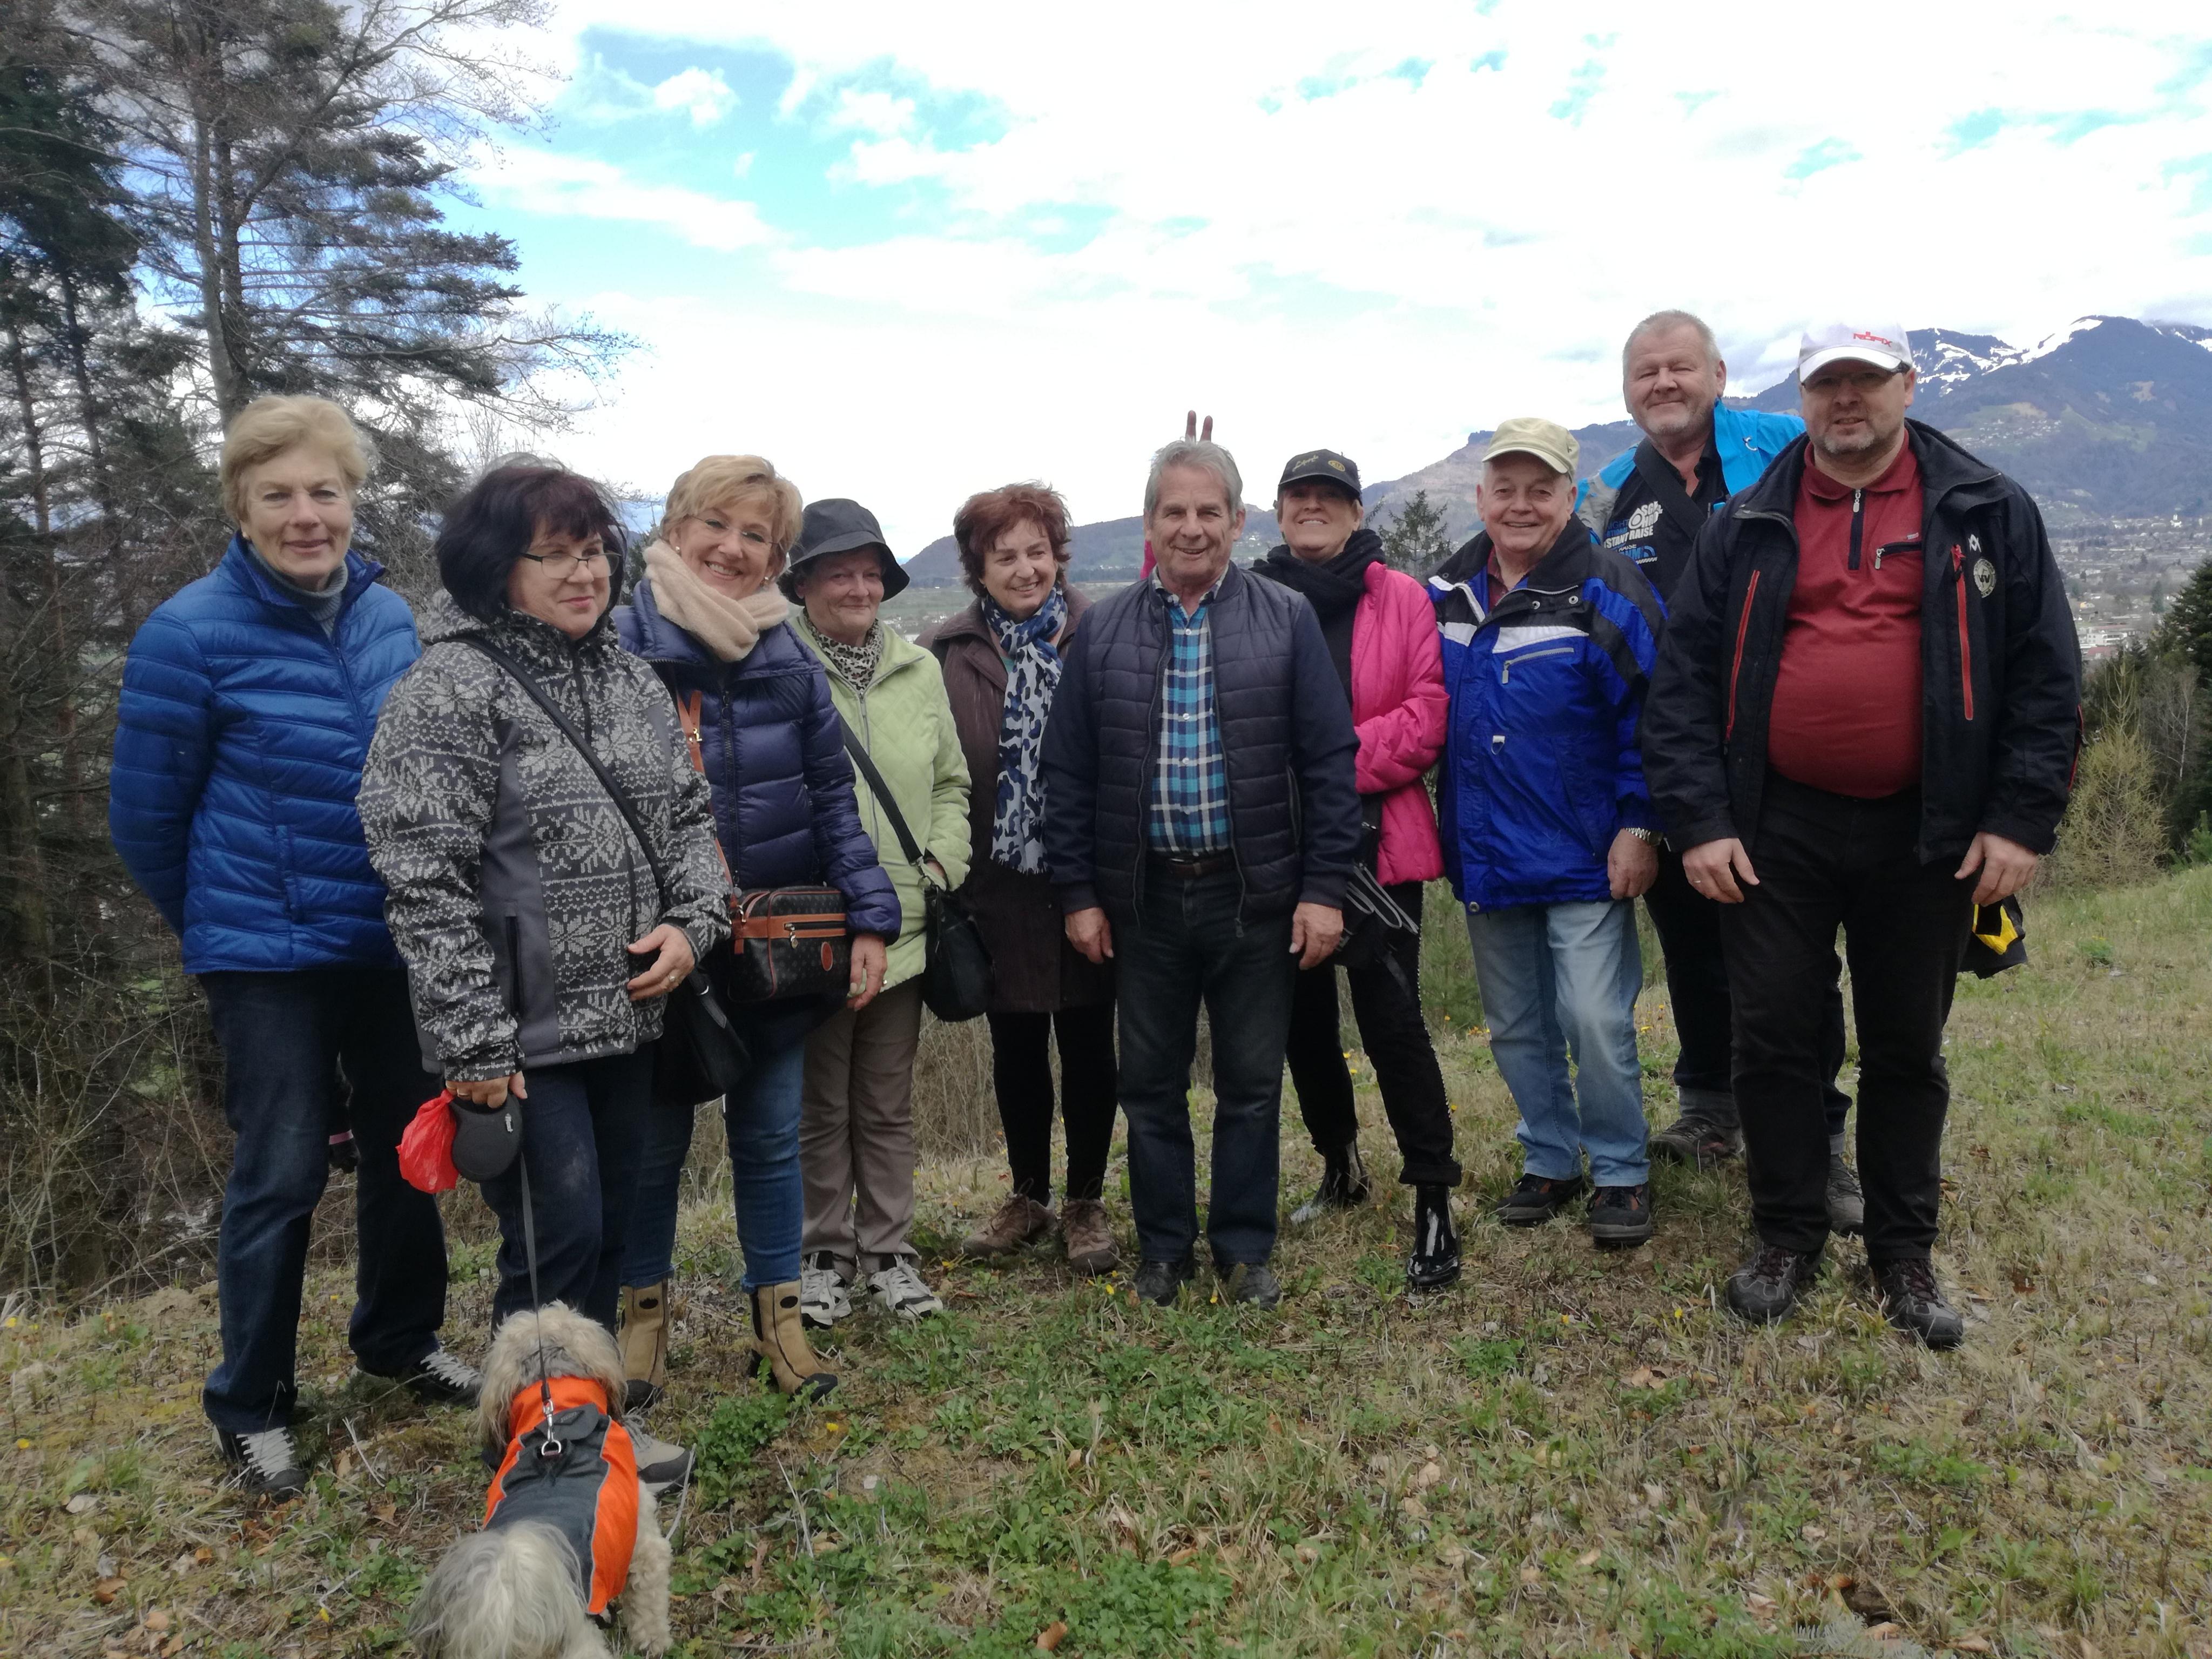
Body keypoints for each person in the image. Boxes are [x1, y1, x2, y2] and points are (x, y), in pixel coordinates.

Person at [1644, 325, 2080, 1346]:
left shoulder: (1987, 509)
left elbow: (2047, 676)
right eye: (1827, 382)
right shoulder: (1749, 519)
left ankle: (1902, 1253)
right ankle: (1786, 1235)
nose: (1847, 399)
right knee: (1774, 1039)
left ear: (1907, 386)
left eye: (1866, 380)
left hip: (1929, 826)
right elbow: (1683, 683)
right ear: (1801, 396)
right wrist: (1700, 822)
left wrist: (2019, 821)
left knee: (1905, 1046)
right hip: (1774, 822)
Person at [110, 394, 476, 1500]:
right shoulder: (187, 634)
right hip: (266, 956)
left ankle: (399, 1339)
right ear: (242, 507)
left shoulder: (389, 619)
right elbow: (147, 822)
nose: (305, 515)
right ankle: (253, 1404)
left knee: (410, 1148)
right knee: (279, 1171)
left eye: (325, 491)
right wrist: (222, 927)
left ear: (354, 501)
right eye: (278, 495)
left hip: (389, 937)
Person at [358, 458, 727, 1486]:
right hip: (520, 1037)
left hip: (631, 1019)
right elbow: (421, 878)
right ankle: (546, 1447)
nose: (585, 572)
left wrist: (694, 925)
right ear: (496, 567)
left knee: (606, 1235)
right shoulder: (448, 690)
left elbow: (689, 821)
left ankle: (580, 1425)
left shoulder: (631, 680)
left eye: (595, 549)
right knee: (552, 1242)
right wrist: (474, 1045)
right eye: (555, 554)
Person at [1042, 436, 1361, 1310]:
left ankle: (1245, 1249)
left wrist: (1323, 891)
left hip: (1253, 896)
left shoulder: (1284, 618)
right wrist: (1079, 895)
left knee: (1251, 1084)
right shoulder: (1103, 630)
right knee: (1150, 1086)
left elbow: (1330, 764)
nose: (1192, 527)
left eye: (1208, 511)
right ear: (1150, 523)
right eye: (1174, 512)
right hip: (1143, 900)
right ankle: (1165, 1250)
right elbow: (1067, 773)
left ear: (1238, 521)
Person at [612, 458, 900, 1402]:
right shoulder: (620, 648)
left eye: (757, 538)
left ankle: (780, 1328)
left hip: (775, 945)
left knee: (771, 1138)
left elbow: (832, 801)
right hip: (656, 943)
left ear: (777, 560)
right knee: (653, 1145)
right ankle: (640, 1331)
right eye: (717, 526)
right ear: (677, 528)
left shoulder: (789, 663)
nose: (733, 550)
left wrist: (870, 918)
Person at [1577, 311, 1863, 1233]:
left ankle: (1823, 1138)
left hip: (1780, 754)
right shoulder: (1609, 492)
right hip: (1669, 755)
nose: (1663, 384)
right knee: (1693, 945)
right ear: (1628, 389)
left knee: (1793, 961)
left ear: (1719, 374)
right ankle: (1709, 1105)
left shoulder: (1783, 446)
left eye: (1680, 367)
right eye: (1646, 372)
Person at [1427, 420, 1664, 1248]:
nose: (1521, 505)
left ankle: (1621, 1169)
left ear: (1570, 498)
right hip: (1487, 852)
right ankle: (1552, 1157)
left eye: (1541, 490)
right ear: (1481, 496)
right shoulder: (1446, 595)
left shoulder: (1610, 591)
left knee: (1595, 1019)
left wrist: (1641, 824)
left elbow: (1655, 719)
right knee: (1516, 1025)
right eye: (1506, 489)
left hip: (1584, 852)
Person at [1251, 449, 1463, 1293]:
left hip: (1382, 847)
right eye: (1299, 495)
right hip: (1279, 847)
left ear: (1355, 511)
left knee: (1393, 1021)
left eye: (1330, 496)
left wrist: (1320, 763)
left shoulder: (1401, 597)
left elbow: (1426, 719)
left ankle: (1434, 1195)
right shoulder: (1253, 599)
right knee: (1301, 1024)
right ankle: (1340, 1164)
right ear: (1278, 510)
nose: (1314, 506)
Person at [785, 500, 970, 1328]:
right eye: (840, 574)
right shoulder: (778, 666)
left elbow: (950, 784)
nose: (859, 588)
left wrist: (940, 865)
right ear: (804, 584)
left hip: (904, 924)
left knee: (887, 1103)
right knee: (820, 1105)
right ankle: (824, 1253)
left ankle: (890, 1251)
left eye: (870, 574)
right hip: (815, 927)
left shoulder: (918, 669)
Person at [929, 484, 1123, 1277]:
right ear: (977, 568)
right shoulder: (947, 652)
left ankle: (1086, 1201)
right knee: (1014, 1044)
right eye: (1003, 555)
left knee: (1088, 1041)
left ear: (1058, 555)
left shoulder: (1102, 633)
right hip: (996, 883)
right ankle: (1028, 1196)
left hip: (1087, 879)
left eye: (1037, 551)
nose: (1024, 569)